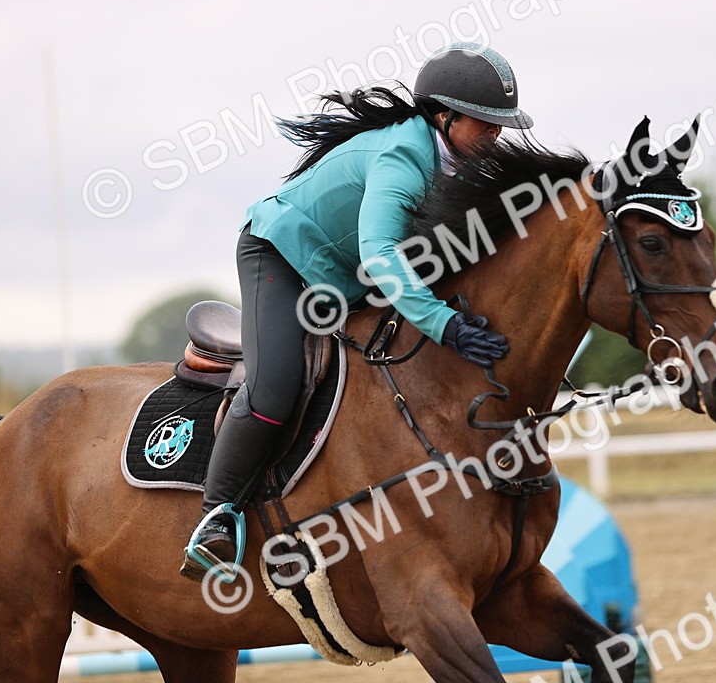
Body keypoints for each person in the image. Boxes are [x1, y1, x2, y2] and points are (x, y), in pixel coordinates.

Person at [181, 42, 531, 578]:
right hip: (280, 255)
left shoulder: (463, 165)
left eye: (500, 125)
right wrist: (444, 324)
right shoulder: (403, 157)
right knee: (277, 384)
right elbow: (382, 255)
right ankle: (217, 516)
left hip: (346, 276)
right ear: (444, 116)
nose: (496, 135)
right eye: (485, 124)